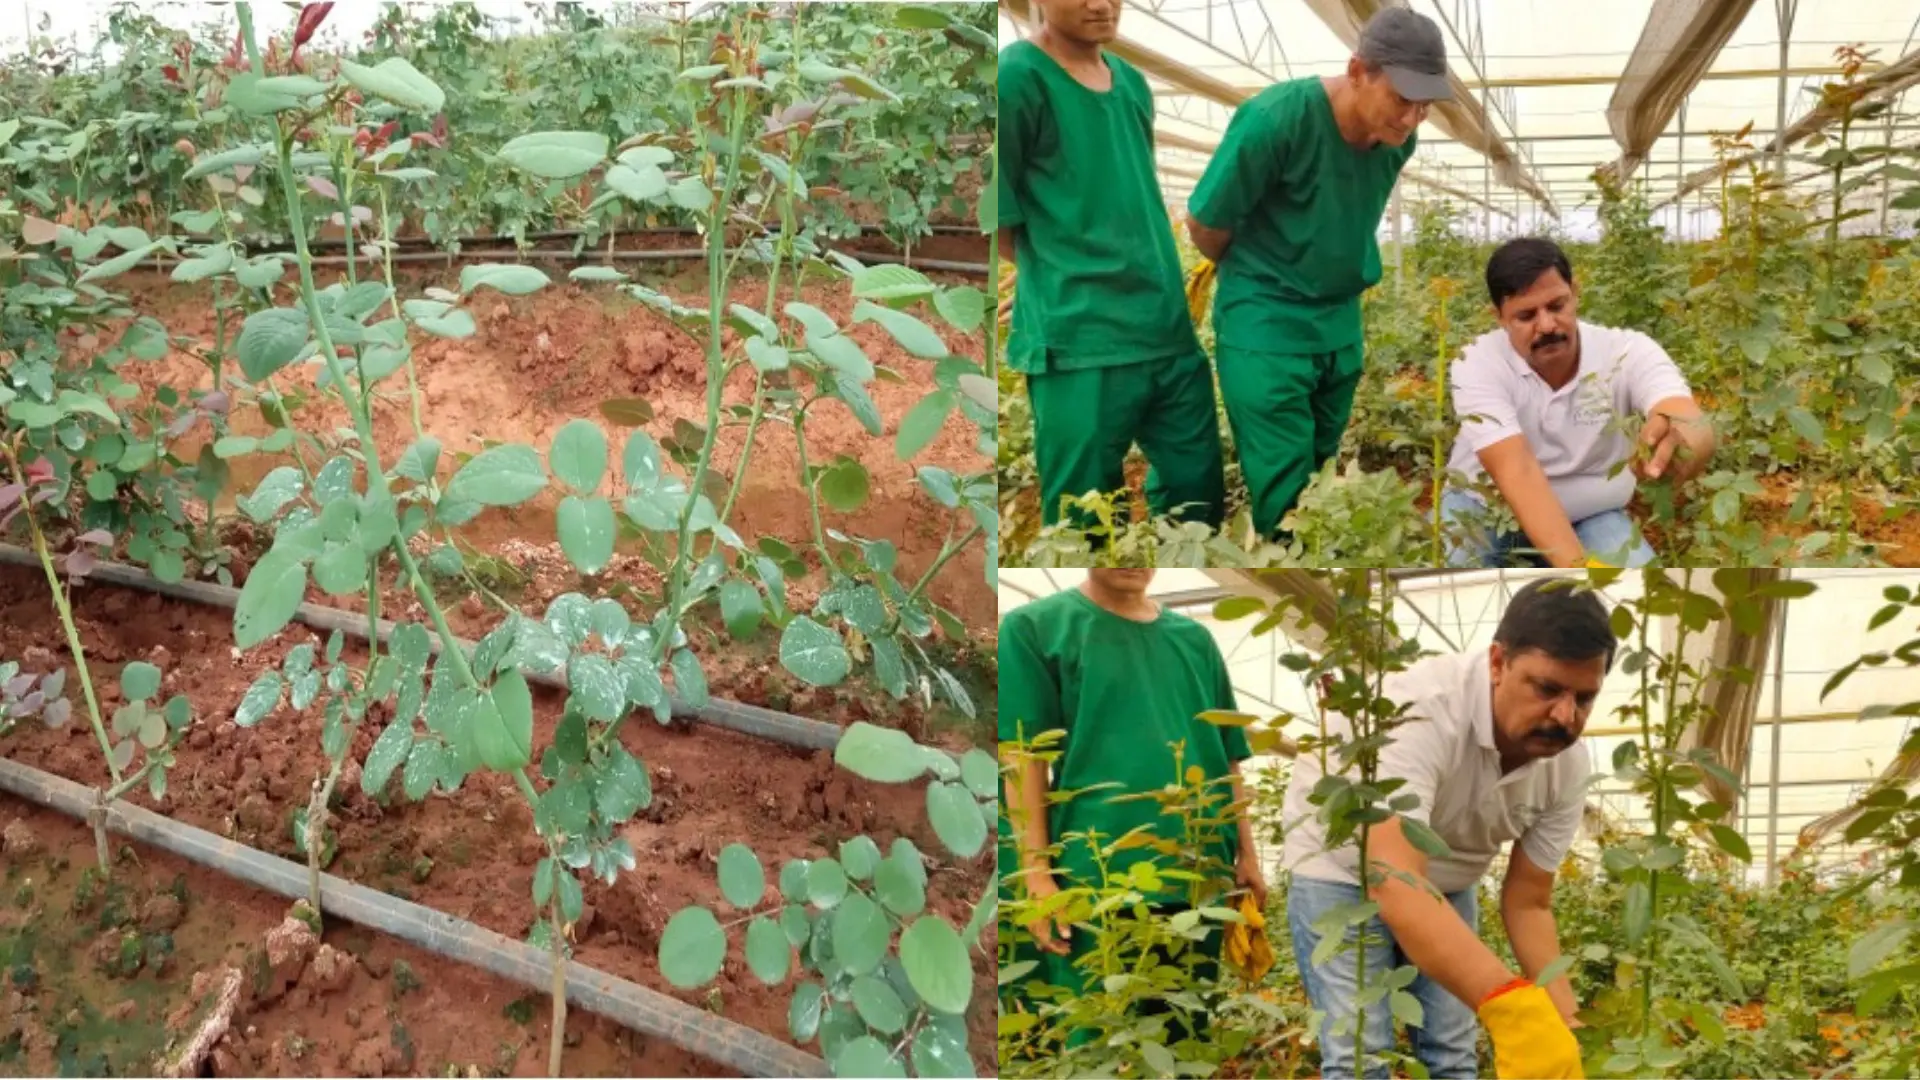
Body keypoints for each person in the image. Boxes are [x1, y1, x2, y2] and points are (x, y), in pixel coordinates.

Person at [1281, 576, 1606, 1079]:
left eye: (1584, 699)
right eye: (1547, 689)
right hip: (1341, 869)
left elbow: (1528, 902)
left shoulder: (1567, 765)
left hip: (1446, 878)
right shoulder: (1417, 709)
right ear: (1498, 663)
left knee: (1453, 1053)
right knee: (1360, 1055)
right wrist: (1511, 1004)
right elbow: (1394, 879)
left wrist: (1562, 1025)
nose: (1565, 716)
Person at [1185, 7, 1450, 539]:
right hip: (1266, 325)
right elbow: (1206, 223)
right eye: (1401, 99)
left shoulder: (1400, 141)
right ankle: (1288, 572)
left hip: (1338, 323)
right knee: (1287, 490)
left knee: (1323, 471)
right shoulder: (1277, 120)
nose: (1410, 118)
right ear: (1358, 71)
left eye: (1424, 106)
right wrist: (1267, 266)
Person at [998, 568, 1265, 1039]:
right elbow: (1023, 758)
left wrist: (1247, 854)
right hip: (1095, 874)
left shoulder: (1195, 641)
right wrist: (1036, 876)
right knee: (1093, 1038)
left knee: (1186, 1035)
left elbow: (1227, 757)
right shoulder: (1036, 628)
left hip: (1198, 872)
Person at [998, 0, 1227, 532]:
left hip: (1165, 331)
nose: (1100, 4)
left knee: (1197, 501)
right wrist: (1054, 273)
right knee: (1085, 521)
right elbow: (1000, 218)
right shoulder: (1017, 79)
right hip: (1081, 343)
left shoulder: (1131, 84)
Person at [1441, 237, 1716, 568]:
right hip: (1485, 509)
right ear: (1498, 317)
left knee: (1639, 593)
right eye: (1526, 316)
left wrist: (1684, 440)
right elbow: (1516, 470)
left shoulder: (1626, 351)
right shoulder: (1478, 361)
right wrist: (1580, 572)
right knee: (1454, 580)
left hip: (1593, 513)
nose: (1547, 325)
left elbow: (1682, 411)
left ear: (1575, 292)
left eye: (1557, 306)